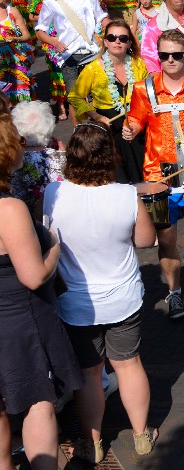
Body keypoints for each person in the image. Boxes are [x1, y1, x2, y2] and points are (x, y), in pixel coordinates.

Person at [43, 122, 159, 463]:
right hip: (122, 299)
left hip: (76, 304)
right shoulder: (125, 194)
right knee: (129, 365)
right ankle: (141, 436)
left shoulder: (53, 194)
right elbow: (145, 240)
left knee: (91, 373)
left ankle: (92, 443)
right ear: (109, 156)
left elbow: (45, 236)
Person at [0, 110, 83, 470]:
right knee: (38, 402)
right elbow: (33, 276)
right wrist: (53, 249)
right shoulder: (9, 209)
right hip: (19, 323)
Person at [123, 29, 184, 319]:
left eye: (176, 55)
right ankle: (174, 291)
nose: (170, 60)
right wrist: (130, 130)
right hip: (159, 175)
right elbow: (136, 120)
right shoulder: (144, 88)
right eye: (164, 55)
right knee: (166, 239)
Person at [68, 20, 148, 183]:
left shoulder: (138, 64)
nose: (117, 41)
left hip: (136, 126)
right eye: (112, 37)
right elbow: (75, 96)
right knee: (119, 177)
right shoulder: (93, 68)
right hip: (110, 128)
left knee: (142, 173)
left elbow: (147, 94)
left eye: (123, 38)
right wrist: (96, 117)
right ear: (105, 42)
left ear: (129, 42)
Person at [35, 0, 107, 124]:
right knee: (75, 97)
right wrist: (55, 42)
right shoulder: (51, 1)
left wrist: (113, 29)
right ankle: (78, 131)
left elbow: (101, 16)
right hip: (69, 55)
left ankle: (99, 130)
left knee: (98, 93)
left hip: (92, 51)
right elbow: (40, 31)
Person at [9, 100, 64, 217]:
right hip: (53, 220)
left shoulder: (10, 160)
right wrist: (63, 155)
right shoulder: (61, 159)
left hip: (17, 221)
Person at [0, 0, 34, 104]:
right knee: (3, 102)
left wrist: (15, 39)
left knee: (21, 98)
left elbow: (27, 36)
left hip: (16, 61)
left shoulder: (12, 11)